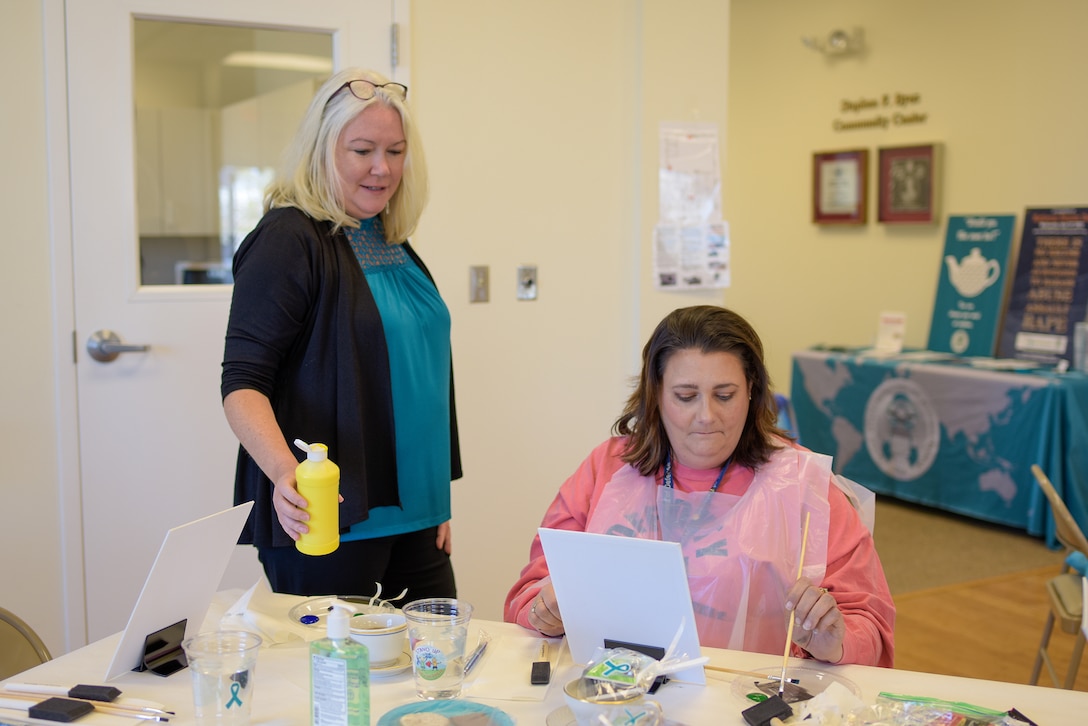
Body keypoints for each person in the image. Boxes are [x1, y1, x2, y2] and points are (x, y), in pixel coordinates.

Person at [505, 306, 895, 667]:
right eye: (685, 396)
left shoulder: (801, 484)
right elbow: (529, 592)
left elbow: (870, 624)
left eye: (725, 395)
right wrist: (547, 613)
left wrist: (833, 642)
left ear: (752, 392)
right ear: (656, 395)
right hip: (620, 695)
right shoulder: (608, 469)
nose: (706, 416)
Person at [221, 68, 461, 600]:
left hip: (418, 516)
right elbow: (242, 384)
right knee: (338, 681)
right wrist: (286, 475)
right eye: (362, 150)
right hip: (332, 518)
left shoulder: (389, 237)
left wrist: (435, 501)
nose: (382, 168)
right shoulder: (288, 239)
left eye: (395, 151)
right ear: (321, 149)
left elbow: (419, 378)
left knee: (430, 669)